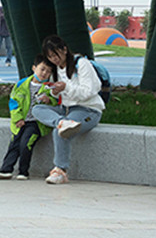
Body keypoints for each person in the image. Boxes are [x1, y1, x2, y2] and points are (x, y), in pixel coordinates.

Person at [30, 34, 105, 185]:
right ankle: (61, 122)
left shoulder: (81, 64)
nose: (54, 59)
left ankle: (60, 170)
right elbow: (59, 94)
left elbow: (88, 91)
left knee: (60, 132)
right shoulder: (56, 69)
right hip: (66, 110)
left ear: (64, 49)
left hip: (88, 110)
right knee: (37, 109)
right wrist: (54, 92)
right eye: (50, 57)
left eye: (55, 54)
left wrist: (66, 87)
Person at [0, 55, 59, 180]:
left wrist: (49, 100)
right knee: (14, 144)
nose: (44, 73)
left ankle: (23, 171)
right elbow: (13, 102)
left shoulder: (50, 87)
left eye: (48, 71)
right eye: (42, 69)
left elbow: (56, 104)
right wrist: (18, 118)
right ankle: (6, 169)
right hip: (21, 121)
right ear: (34, 68)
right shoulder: (22, 84)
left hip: (37, 123)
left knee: (26, 143)